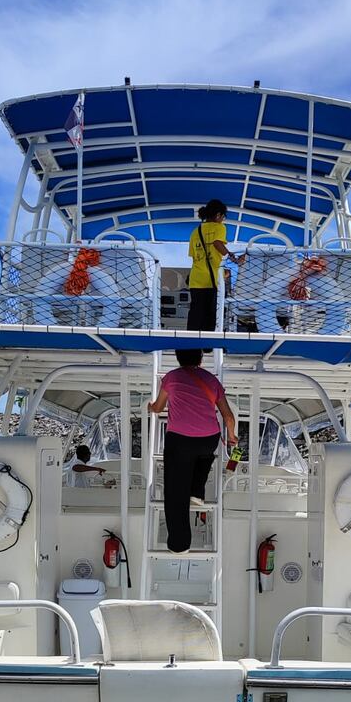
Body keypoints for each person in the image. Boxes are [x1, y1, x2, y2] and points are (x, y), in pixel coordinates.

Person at [148, 349, 237, 553]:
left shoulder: (171, 378)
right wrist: (231, 436)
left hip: (179, 440)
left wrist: (151, 407)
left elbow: (159, 407)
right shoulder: (212, 381)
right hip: (208, 439)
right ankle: (197, 490)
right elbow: (228, 417)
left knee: (175, 491)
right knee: (204, 456)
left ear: (178, 359)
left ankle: (179, 545)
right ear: (201, 358)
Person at [187, 199, 244, 331]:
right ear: (218, 215)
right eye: (223, 217)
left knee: (195, 315)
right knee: (212, 314)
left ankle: (190, 348)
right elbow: (217, 243)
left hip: (196, 279)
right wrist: (233, 258)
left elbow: (194, 256)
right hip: (212, 279)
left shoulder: (196, 231)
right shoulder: (219, 227)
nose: (223, 220)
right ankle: (208, 346)